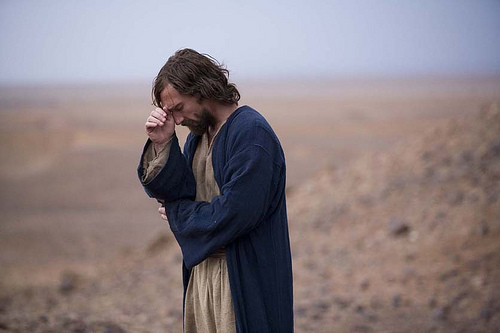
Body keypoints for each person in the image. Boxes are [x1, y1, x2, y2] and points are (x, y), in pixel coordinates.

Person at [137, 48, 293, 333]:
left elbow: (235, 212)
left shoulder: (251, 134)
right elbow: (175, 194)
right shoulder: (197, 138)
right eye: (169, 112)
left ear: (203, 90)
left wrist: (178, 214)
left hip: (242, 279)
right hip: (202, 277)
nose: (178, 120)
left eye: (179, 108)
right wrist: (162, 143)